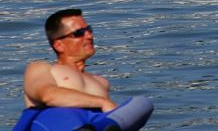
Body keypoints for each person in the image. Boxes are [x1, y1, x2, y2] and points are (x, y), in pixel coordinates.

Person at [12, 8, 153, 131]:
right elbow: (48, 95)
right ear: (59, 45)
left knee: (142, 103)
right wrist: (102, 102)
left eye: (89, 30)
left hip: (95, 124)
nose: (89, 36)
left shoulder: (100, 82)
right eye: (79, 33)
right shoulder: (42, 68)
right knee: (54, 114)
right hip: (58, 123)